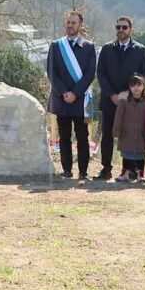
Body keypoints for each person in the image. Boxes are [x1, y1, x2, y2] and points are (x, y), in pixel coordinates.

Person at [94, 16, 145, 181]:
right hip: (110, 100)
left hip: (132, 102)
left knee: (132, 134)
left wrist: (129, 94)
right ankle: (106, 169)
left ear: (131, 30)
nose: (121, 30)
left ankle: (132, 170)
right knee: (107, 135)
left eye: (124, 27)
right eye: (118, 27)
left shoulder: (140, 50)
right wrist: (112, 94)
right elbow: (101, 73)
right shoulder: (106, 49)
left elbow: (144, 74)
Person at [46, 11, 96, 180]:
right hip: (61, 99)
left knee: (82, 137)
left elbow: (90, 74)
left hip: (80, 100)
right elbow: (51, 72)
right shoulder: (56, 45)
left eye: (73, 23)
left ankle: (83, 171)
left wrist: (75, 93)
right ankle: (67, 169)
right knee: (64, 136)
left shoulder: (89, 47)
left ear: (80, 25)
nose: (70, 25)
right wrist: (64, 92)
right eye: (68, 22)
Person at [113, 74, 145, 183]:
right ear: (129, 87)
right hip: (127, 132)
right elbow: (118, 116)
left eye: (139, 85)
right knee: (126, 153)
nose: (136, 88)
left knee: (141, 154)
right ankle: (124, 173)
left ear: (143, 86)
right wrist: (117, 130)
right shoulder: (124, 100)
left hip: (142, 132)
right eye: (133, 85)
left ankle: (140, 174)